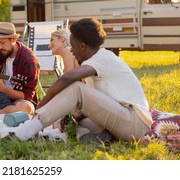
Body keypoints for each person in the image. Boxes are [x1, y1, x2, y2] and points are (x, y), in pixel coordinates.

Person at [14, 17, 153, 142]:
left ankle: (22, 134)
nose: (72, 51)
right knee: (64, 122)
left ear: (82, 46)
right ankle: (90, 137)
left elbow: (67, 78)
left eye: (73, 46)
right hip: (121, 119)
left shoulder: (103, 58)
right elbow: (96, 103)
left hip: (134, 123)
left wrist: (40, 107)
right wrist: (74, 117)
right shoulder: (95, 61)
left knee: (76, 88)